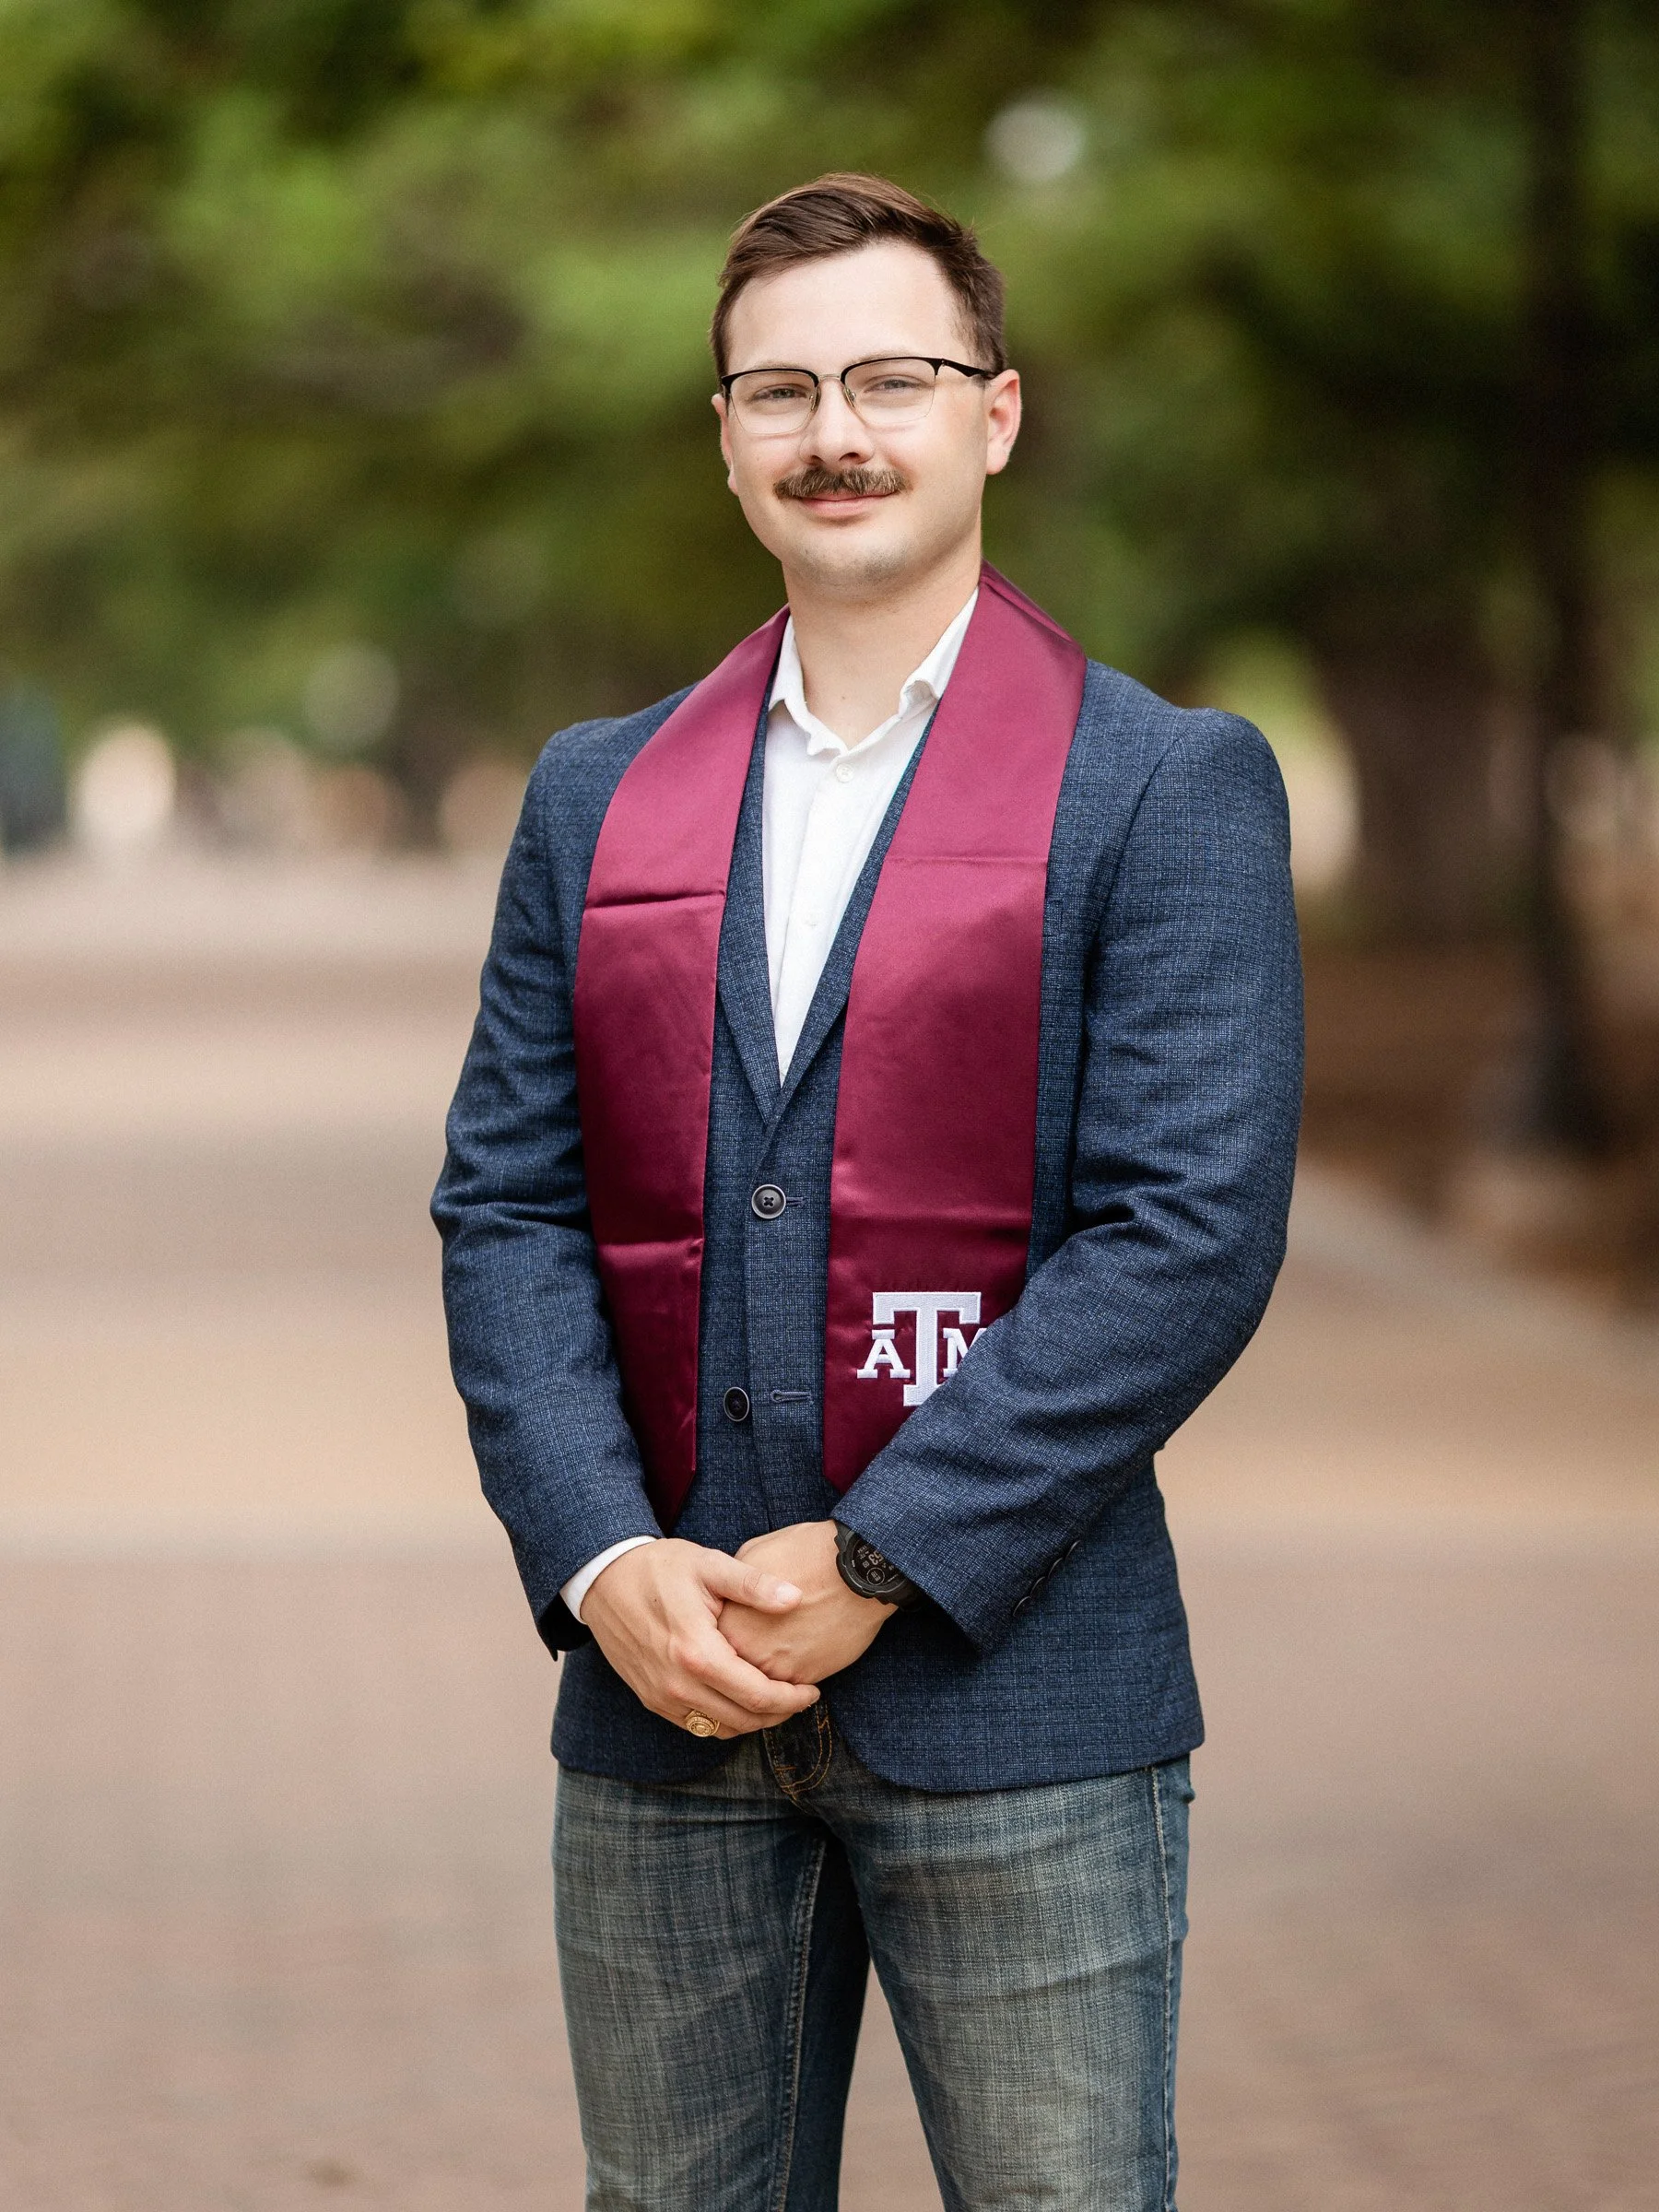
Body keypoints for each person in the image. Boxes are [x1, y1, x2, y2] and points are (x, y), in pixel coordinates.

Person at [434, 172, 1301, 2212]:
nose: (837, 430)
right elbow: (509, 1208)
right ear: (725, 442)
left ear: (994, 413)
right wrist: (594, 1557)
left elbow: (1188, 1235)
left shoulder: (1164, 786)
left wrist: (887, 1556)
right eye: (780, 390)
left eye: (890, 378)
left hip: (1028, 1709)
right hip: (664, 1709)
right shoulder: (598, 794)